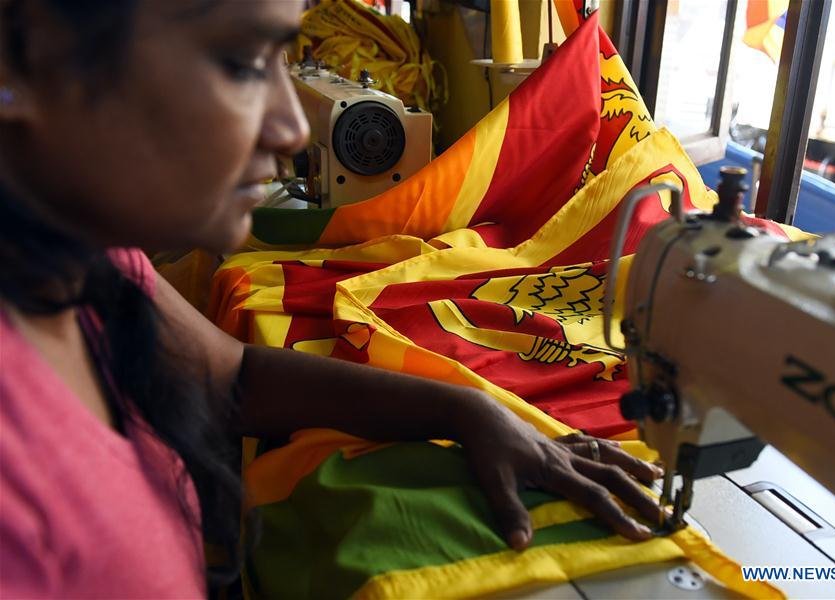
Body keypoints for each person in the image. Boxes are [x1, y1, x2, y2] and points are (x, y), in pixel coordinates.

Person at [0, 0, 662, 596]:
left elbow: (224, 378)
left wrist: (466, 408)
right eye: (239, 62)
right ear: (25, 61)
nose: (292, 128)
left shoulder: (83, 260)